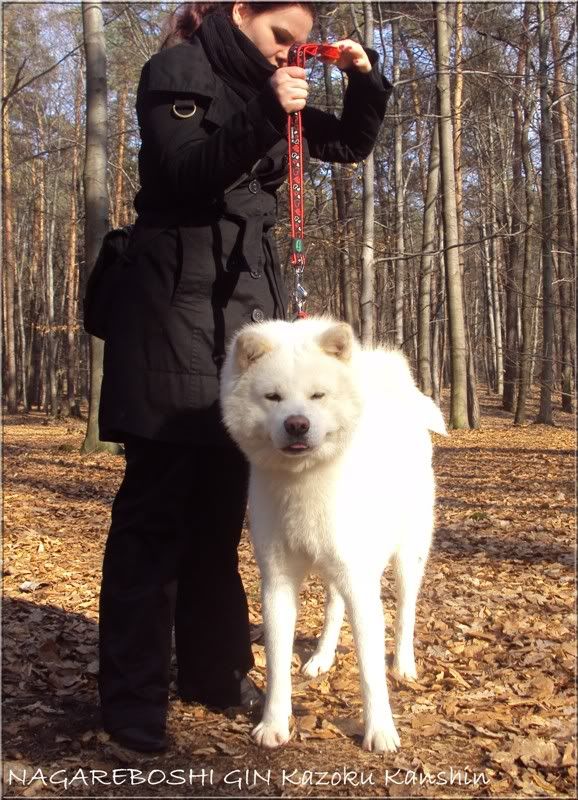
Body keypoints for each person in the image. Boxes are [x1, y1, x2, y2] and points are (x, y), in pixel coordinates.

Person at [96, 1, 391, 753]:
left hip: (247, 335)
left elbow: (348, 144)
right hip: (168, 319)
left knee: (221, 515)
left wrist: (364, 81)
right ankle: (133, 702)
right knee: (154, 519)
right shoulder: (177, 71)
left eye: (301, 44)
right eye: (279, 36)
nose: (288, 53)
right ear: (238, 13)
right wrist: (266, 110)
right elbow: (180, 172)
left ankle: (214, 672)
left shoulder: (273, 88)